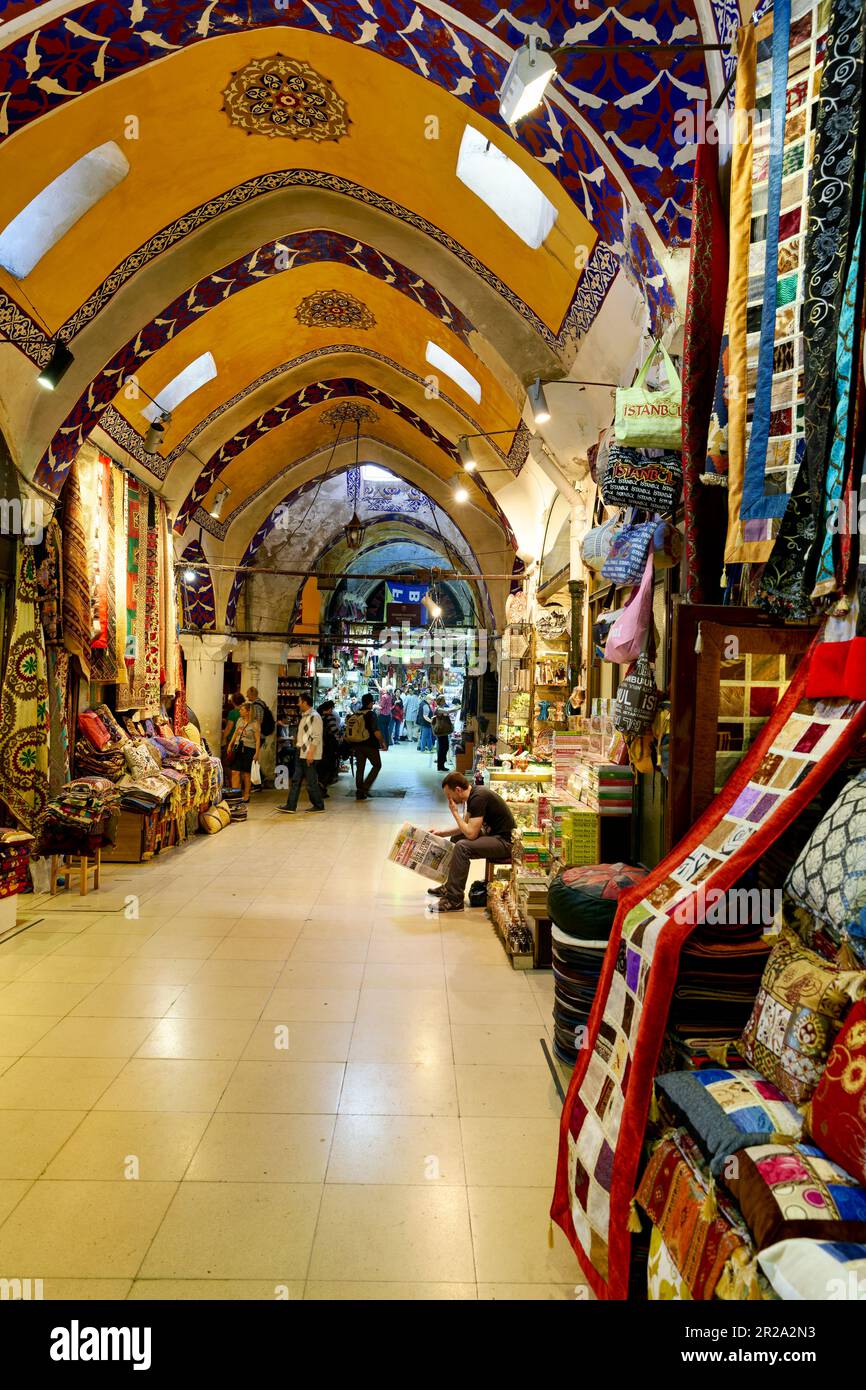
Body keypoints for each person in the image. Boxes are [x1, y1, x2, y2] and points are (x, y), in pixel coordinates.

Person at [428, 772, 515, 911]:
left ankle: (454, 900)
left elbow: (471, 834)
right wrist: (442, 833)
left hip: (505, 842)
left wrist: (455, 813)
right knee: (457, 839)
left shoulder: (478, 797)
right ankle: (450, 887)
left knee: (462, 847)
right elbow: (465, 826)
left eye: (449, 795)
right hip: (494, 836)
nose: (449, 799)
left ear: (458, 790)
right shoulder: (474, 794)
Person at [279, 692, 325, 814]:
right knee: (296, 780)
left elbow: (316, 736)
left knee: (310, 782)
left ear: (305, 702)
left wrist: (311, 753)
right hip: (301, 752)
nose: (298, 704)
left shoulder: (315, 717)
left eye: (299, 701)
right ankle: (291, 805)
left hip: (309, 754)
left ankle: (319, 805)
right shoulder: (305, 716)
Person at [353, 692, 386, 800]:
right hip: (370, 744)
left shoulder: (357, 713)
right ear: (371, 703)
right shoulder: (371, 714)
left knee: (360, 768)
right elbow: (376, 731)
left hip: (358, 744)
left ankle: (359, 791)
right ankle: (365, 788)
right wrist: (382, 742)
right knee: (377, 765)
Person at [226, 701, 260, 802]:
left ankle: (246, 795)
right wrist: (230, 744)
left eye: (242, 710)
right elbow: (236, 733)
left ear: (248, 711)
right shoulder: (239, 720)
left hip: (249, 749)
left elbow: (257, 739)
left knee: (246, 773)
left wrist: (257, 753)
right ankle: (235, 794)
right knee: (235, 772)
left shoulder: (255, 723)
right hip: (237, 748)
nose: (240, 711)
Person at [317, 698, 342, 791]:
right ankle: (323, 784)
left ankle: (320, 783)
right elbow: (334, 730)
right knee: (330, 765)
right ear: (329, 708)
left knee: (322, 765)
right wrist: (340, 736)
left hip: (321, 744)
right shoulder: (329, 717)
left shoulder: (319, 717)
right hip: (329, 744)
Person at [432, 696, 454, 772]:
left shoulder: (440, 709)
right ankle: (440, 765)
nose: (445, 701)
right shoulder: (438, 709)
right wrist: (458, 707)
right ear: (440, 701)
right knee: (443, 748)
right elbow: (448, 712)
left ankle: (441, 765)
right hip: (441, 731)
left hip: (443, 731)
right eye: (443, 700)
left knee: (444, 747)